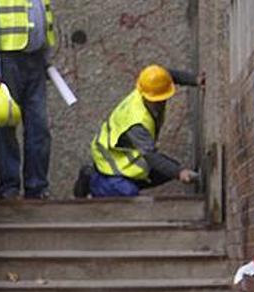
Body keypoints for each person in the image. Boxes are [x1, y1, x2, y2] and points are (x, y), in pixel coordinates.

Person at [74, 64, 202, 198]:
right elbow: (151, 156)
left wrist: (195, 80)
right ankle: (92, 182)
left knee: (168, 170)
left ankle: (121, 182)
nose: (164, 100)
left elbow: (166, 76)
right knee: (129, 193)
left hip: (123, 153)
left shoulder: (146, 87)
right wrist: (179, 173)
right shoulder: (138, 123)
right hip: (108, 161)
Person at [0, 0, 55, 199]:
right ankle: (9, 188)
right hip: (8, 61)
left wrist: (46, 58)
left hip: (35, 60)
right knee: (6, 126)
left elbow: (44, 18)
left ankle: (36, 187)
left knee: (39, 128)